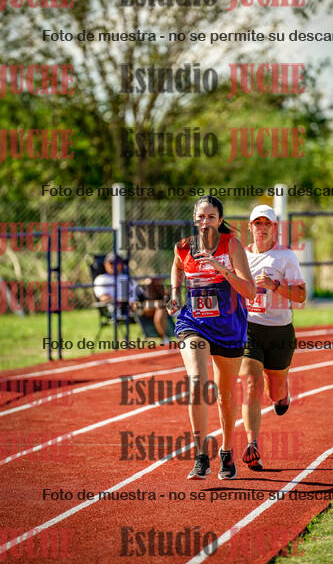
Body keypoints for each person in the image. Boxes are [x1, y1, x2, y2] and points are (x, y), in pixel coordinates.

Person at [167, 195, 255, 480]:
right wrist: (174, 292)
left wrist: (222, 269)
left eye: (211, 217)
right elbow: (177, 266)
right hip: (194, 323)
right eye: (201, 216)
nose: (205, 222)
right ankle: (200, 456)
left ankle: (226, 451)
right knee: (196, 382)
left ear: (220, 220)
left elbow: (250, 291)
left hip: (228, 327)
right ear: (195, 219)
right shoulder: (183, 247)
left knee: (225, 397)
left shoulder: (232, 245)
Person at [239, 205, 306, 470]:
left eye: (267, 223)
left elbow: (301, 295)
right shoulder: (240, 255)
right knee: (251, 385)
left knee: (273, 391)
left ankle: (282, 393)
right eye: (258, 223)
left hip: (279, 331)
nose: (262, 228)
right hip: (249, 329)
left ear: (275, 227)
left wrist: (274, 285)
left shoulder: (285, 256)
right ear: (250, 227)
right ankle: (252, 445)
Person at [93, 253, 168, 343]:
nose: (114, 266)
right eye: (111, 263)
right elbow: (103, 298)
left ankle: (165, 337)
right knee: (160, 305)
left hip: (137, 305)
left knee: (160, 301)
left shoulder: (126, 277)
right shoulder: (101, 279)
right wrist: (124, 302)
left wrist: (149, 285)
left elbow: (140, 292)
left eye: (117, 263)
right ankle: (165, 338)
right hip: (121, 309)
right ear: (105, 264)